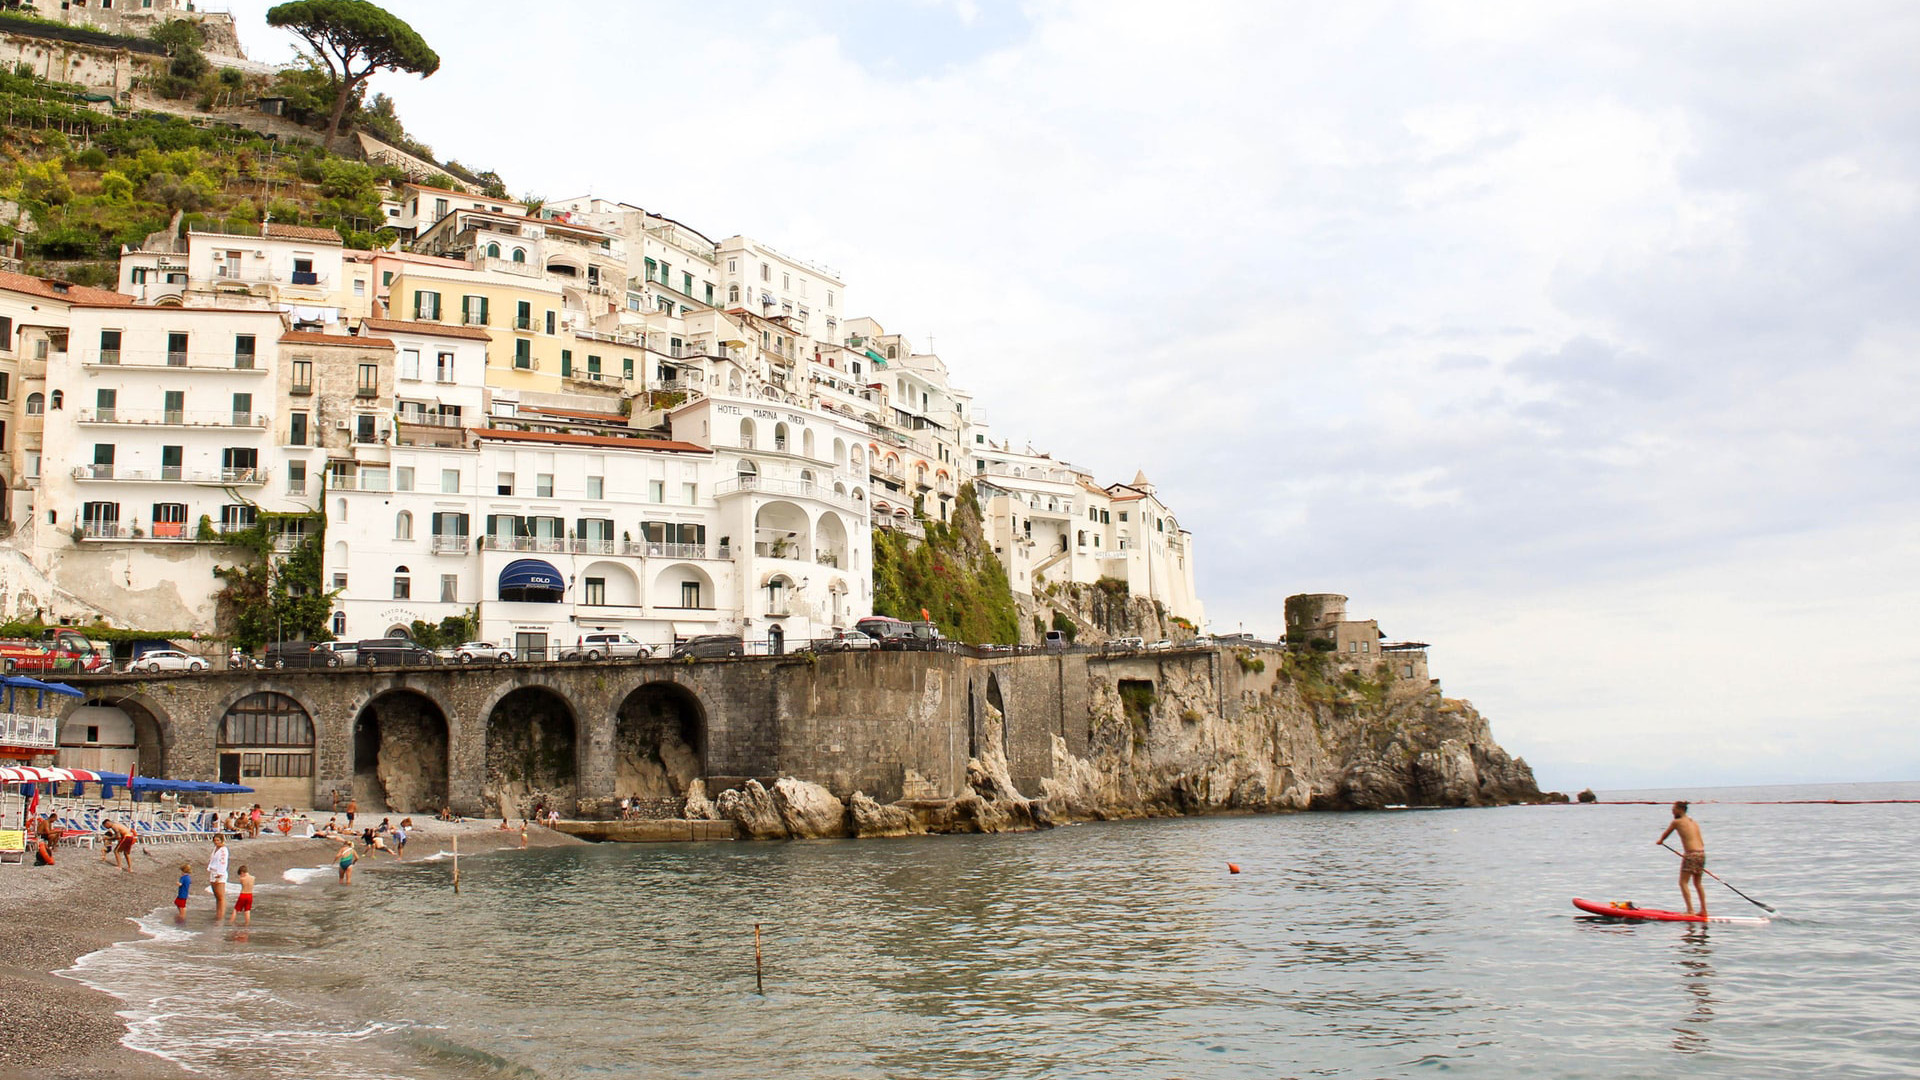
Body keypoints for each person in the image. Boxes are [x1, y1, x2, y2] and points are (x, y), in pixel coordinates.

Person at [1657, 800, 1708, 917]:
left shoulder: (1677, 822)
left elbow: (1665, 835)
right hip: (1701, 853)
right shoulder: (1694, 822)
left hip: (1691, 854)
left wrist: (1660, 841)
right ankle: (1704, 910)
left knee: (1683, 882)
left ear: (1680, 809)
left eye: (1673, 809)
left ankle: (1690, 911)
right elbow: (1701, 841)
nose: (1672, 811)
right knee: (1698, 883)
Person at [208, 834, 230, 923]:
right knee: (216, 896)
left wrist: (220, 874)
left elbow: (223, 862)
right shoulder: (215, 849)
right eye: (215, 840)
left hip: (219, 873)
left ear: (222, 840)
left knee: (221, 896)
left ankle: (221, 916)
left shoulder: (223, 850)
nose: (216, 842)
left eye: (218, 840)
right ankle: (218, 913)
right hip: (213, 871)